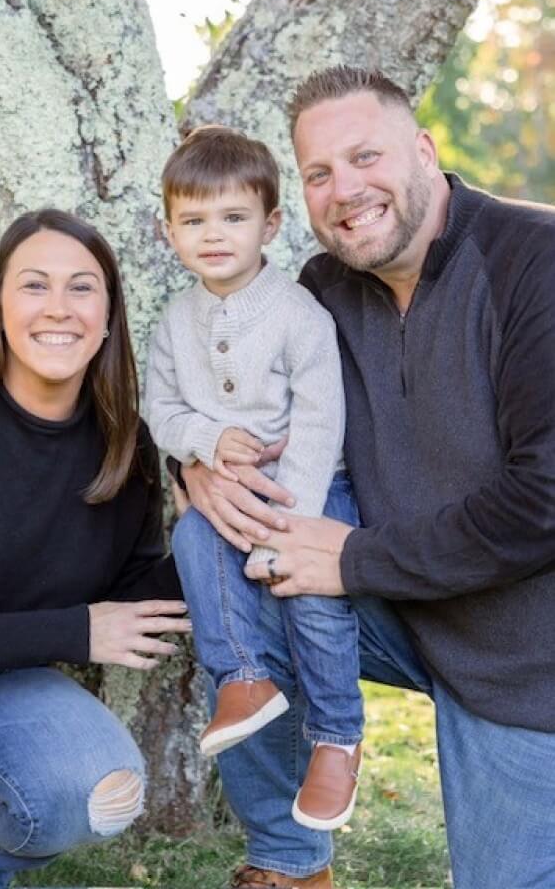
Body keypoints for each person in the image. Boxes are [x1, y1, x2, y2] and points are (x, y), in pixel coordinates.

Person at [174, 66, 555, 889]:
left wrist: (351, 561)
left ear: (422, 151)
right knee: (223, 556)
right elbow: (250, 417)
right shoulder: (320, 291)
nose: (345, 190)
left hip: (530, 664)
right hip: (406, 612)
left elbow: (546, 502)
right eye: (319, 174)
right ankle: (290, 863)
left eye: (365, 157)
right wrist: (199, 472)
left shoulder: (537, 264)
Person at [0, 209, 190, 888]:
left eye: (82, 288)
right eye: (34, 286)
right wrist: (76, 629)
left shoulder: (125, 448)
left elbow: (132, 592)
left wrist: (209, 531)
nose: (58, 308)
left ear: (110, 313)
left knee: (95, 790)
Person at [145, 125, 363, 832]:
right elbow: (162, 407)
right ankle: (243, 679)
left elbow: (323, 418)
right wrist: (204, 441)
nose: (214, 235)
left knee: (309, 594)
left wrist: (289, 524)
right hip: (224, 492)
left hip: (309, 490)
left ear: (269, 224)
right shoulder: (174, 320)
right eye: (194, 220)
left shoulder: (299, 313)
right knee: (192, 543)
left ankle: (337, 737)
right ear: (168, 230)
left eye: (234, 217)